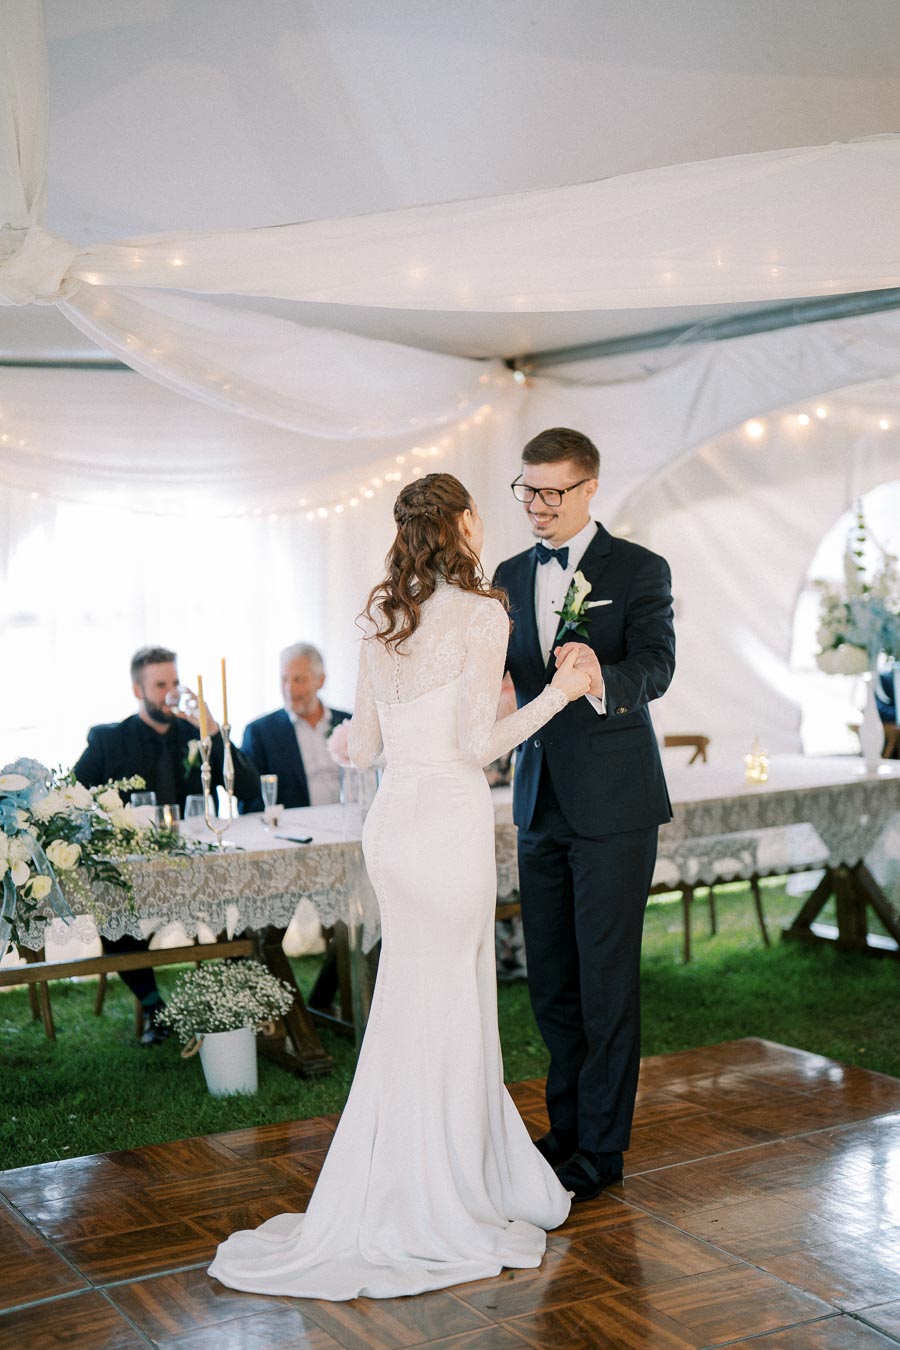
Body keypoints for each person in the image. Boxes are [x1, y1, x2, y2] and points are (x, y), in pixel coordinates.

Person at [209, 473, 590, 1300]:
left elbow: (363, 747)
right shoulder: (484, 613)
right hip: (448, 820)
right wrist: (560, 693)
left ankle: (406, 1174)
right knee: (450, 995)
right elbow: (479, 743)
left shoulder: (382, 617)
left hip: (395, 826)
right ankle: (451, 1184)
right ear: (459, 523)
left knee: (411, 997)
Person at [493, 427, 675, 1202]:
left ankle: (601, 1151)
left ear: (590, 487)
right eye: (526, 490)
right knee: (553, 984)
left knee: (605, 983)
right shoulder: (504, 575)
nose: (536, 505)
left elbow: (657, 664)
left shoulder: (638, 568)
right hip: (538, 802)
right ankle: (564, 1129)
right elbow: (503, 680)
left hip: (614, 806)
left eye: (552, 492)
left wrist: (603, 675)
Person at [74, 645, 260, 1045]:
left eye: (175, 682)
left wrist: (212, 730)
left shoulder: (195, 733)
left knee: (249, 894)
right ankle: (156, 1009)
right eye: (160, 685)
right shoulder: (110, 741)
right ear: (137, 691)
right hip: (136, 867)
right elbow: (72, 797)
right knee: (111, 905)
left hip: (199, 862)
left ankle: (231, 1002)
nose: (170, 692)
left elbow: (246, 787)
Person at [239, 643, 351, 812]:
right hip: (296, 832)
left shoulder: (349, 722)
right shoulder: (259, 732)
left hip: (349, 823)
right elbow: (249, 802)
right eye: (284, 679)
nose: (289, 689)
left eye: (299, 680)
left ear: (320, 680)